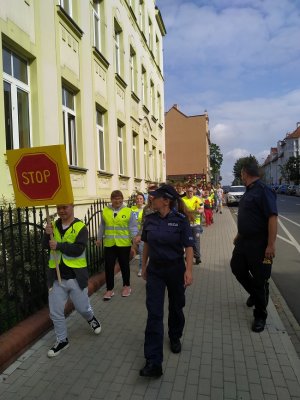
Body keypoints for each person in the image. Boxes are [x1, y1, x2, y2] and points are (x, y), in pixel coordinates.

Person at [139, 184, 194, 378]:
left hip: (175, 270)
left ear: (166, 200)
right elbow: (146, 244)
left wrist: (188, 270)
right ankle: (153, 362)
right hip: (155, 271)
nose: (150, 199)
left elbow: (188, 247)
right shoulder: (149, 220)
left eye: (154, 197)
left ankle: (174, 335)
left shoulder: (180, 220)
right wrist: (143, 266)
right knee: (154, 313)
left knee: (176, 307)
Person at [42, 204, 101, 358]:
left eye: (65, 207)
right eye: (59, 208)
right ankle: (62, 340)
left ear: (72, 206)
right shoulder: (53, 225)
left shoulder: (81, 227)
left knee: (82, 308)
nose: (61, 211)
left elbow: (79, 249)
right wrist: (46, 233)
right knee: (55, 312)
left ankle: (91, 318)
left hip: (76, 278)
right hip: (57, 278)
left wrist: (59, 245)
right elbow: (45, 246)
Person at [230, 162, 278, 333]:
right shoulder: (249, 191)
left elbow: (272, 218)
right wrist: (239, 234)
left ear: (245, 173)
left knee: (259, 278)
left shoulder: (264, 191)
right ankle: (258, 294)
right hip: (243, 241)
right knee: (236, 267)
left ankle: (260, 315)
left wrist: (271, 245)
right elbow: (249, 216)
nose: (241, 177)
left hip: (260, 244)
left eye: (241, 174)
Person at [97, 190, 138, 300]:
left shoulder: (128, 211)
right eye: (115, 198)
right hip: (110, 244)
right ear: (111, 200)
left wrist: (135, 238)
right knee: (109, 267)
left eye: (119, 198)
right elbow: (102, 226)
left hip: (124, 244)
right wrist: (99, 238)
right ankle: (109, 290)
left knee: (124, 266)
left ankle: (126, 286)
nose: (117, 200)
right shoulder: (105, 211)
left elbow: (133, 226)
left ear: (122, 199)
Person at [182, 185, 204, 264]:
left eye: (191, 191)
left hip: (196, 224)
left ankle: (197, 256)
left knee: (196, 241)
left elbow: (202, 209)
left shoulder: (197, 199)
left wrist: (198, 211)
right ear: (186, 192)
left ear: (193, 191)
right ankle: (188, 256)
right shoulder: (182, 200)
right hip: (186, 224)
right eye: (188, 191)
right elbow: (180, 211)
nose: (189, 193)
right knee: (187, 241)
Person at [131, 192, 145, 276]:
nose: (139, 200)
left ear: (143, 200)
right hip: (134, 233)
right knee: (138, 250)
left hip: (143, 232)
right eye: (137, 199)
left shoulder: (146, 209)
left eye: (141, 199)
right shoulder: (132, 208)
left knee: (141, 250)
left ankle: (141, 268)